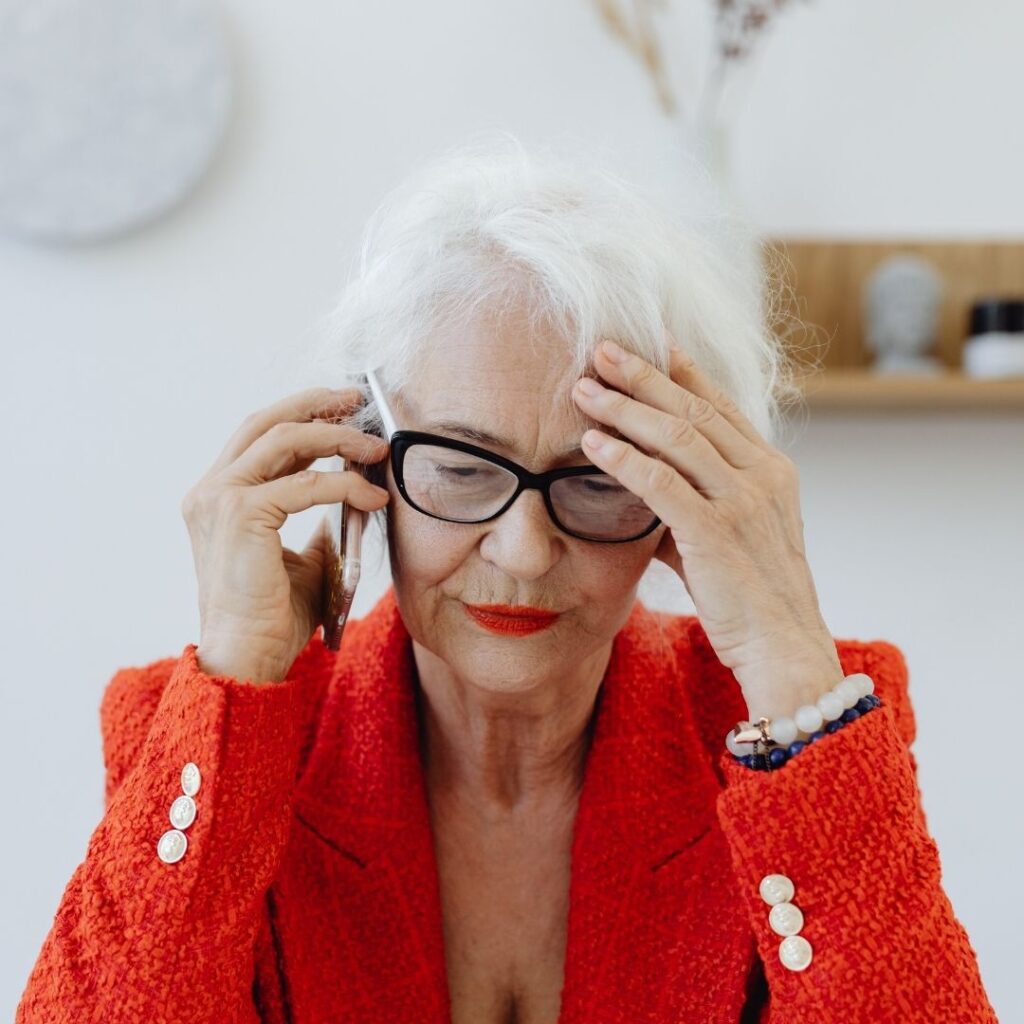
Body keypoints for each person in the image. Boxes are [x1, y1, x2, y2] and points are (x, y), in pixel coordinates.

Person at [17, 135, 998, 1024]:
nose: (523, 550)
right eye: (460, 467)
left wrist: (788, 662)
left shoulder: (791, 733)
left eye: (599, 479)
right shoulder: (198, 736)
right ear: (366, 461)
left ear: (692, 495)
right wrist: (233, 667)